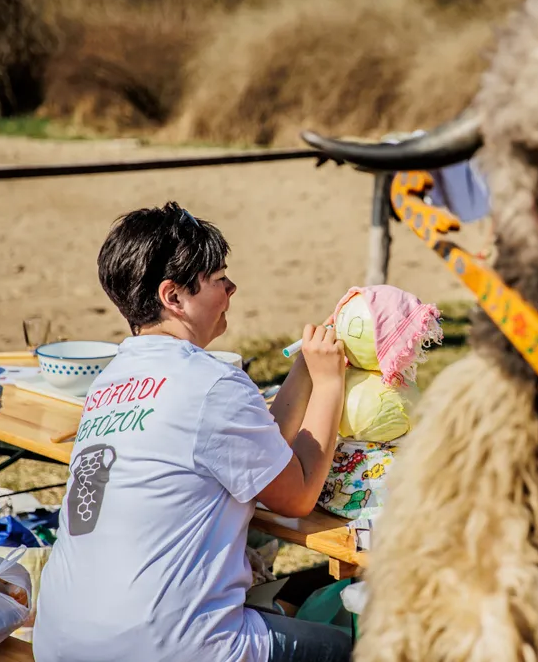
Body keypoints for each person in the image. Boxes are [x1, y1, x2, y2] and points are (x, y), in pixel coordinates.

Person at [32, 202, 353, 662]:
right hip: (167, 648)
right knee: (361, 647)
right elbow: (297, 495)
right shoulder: (211, 382)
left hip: (62, 642)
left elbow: (262, 452)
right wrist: (328, 384)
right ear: (174, 296)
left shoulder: (110, 380)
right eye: (219, 278)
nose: (231, 288)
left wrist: (304, 367)